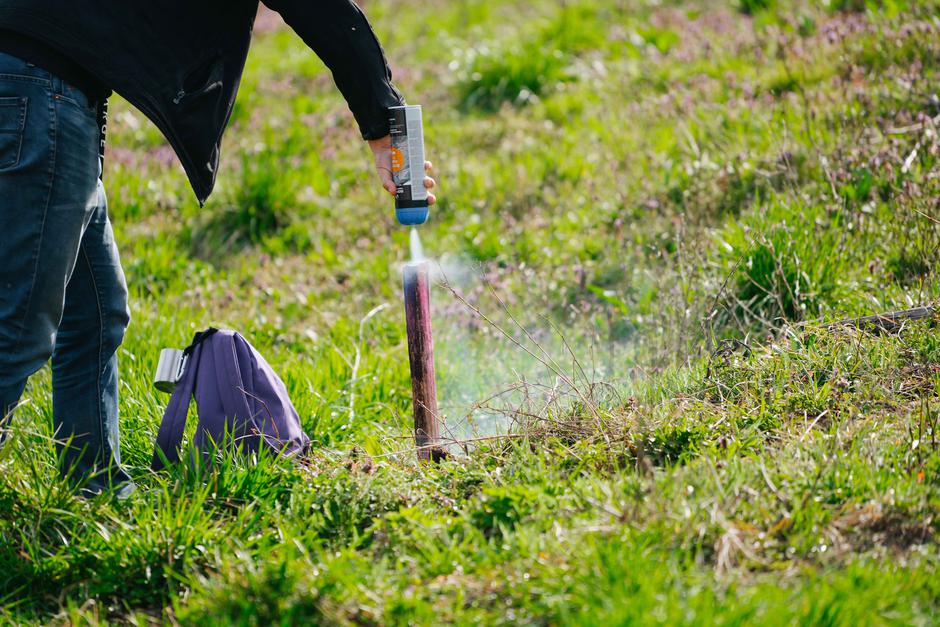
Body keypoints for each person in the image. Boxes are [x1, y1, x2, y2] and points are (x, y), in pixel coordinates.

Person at [0, 0, 436, 496]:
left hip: (44, 87)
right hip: (37, 92)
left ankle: (93, 490)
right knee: (18, 330)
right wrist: (383, 124)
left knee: (97, 315)